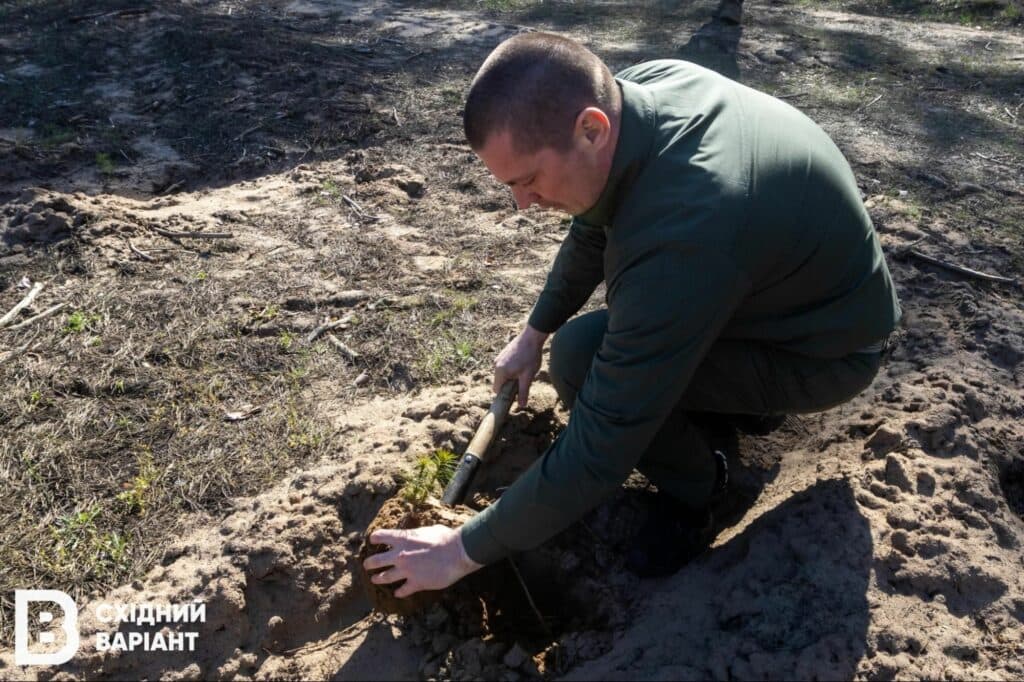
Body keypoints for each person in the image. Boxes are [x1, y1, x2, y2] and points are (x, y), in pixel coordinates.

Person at [362, 32, 901, 595]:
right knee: (579, 345)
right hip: (787, 299)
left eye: (528, 180)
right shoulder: (644, 91)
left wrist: (460, 550)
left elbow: (602, 445)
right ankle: (740, 408)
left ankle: (705, 490)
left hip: (825, 353)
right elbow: (593, 226)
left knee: (579, 362)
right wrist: (533, 332)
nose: (522, 204)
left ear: (591, 129)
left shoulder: (684, 235)